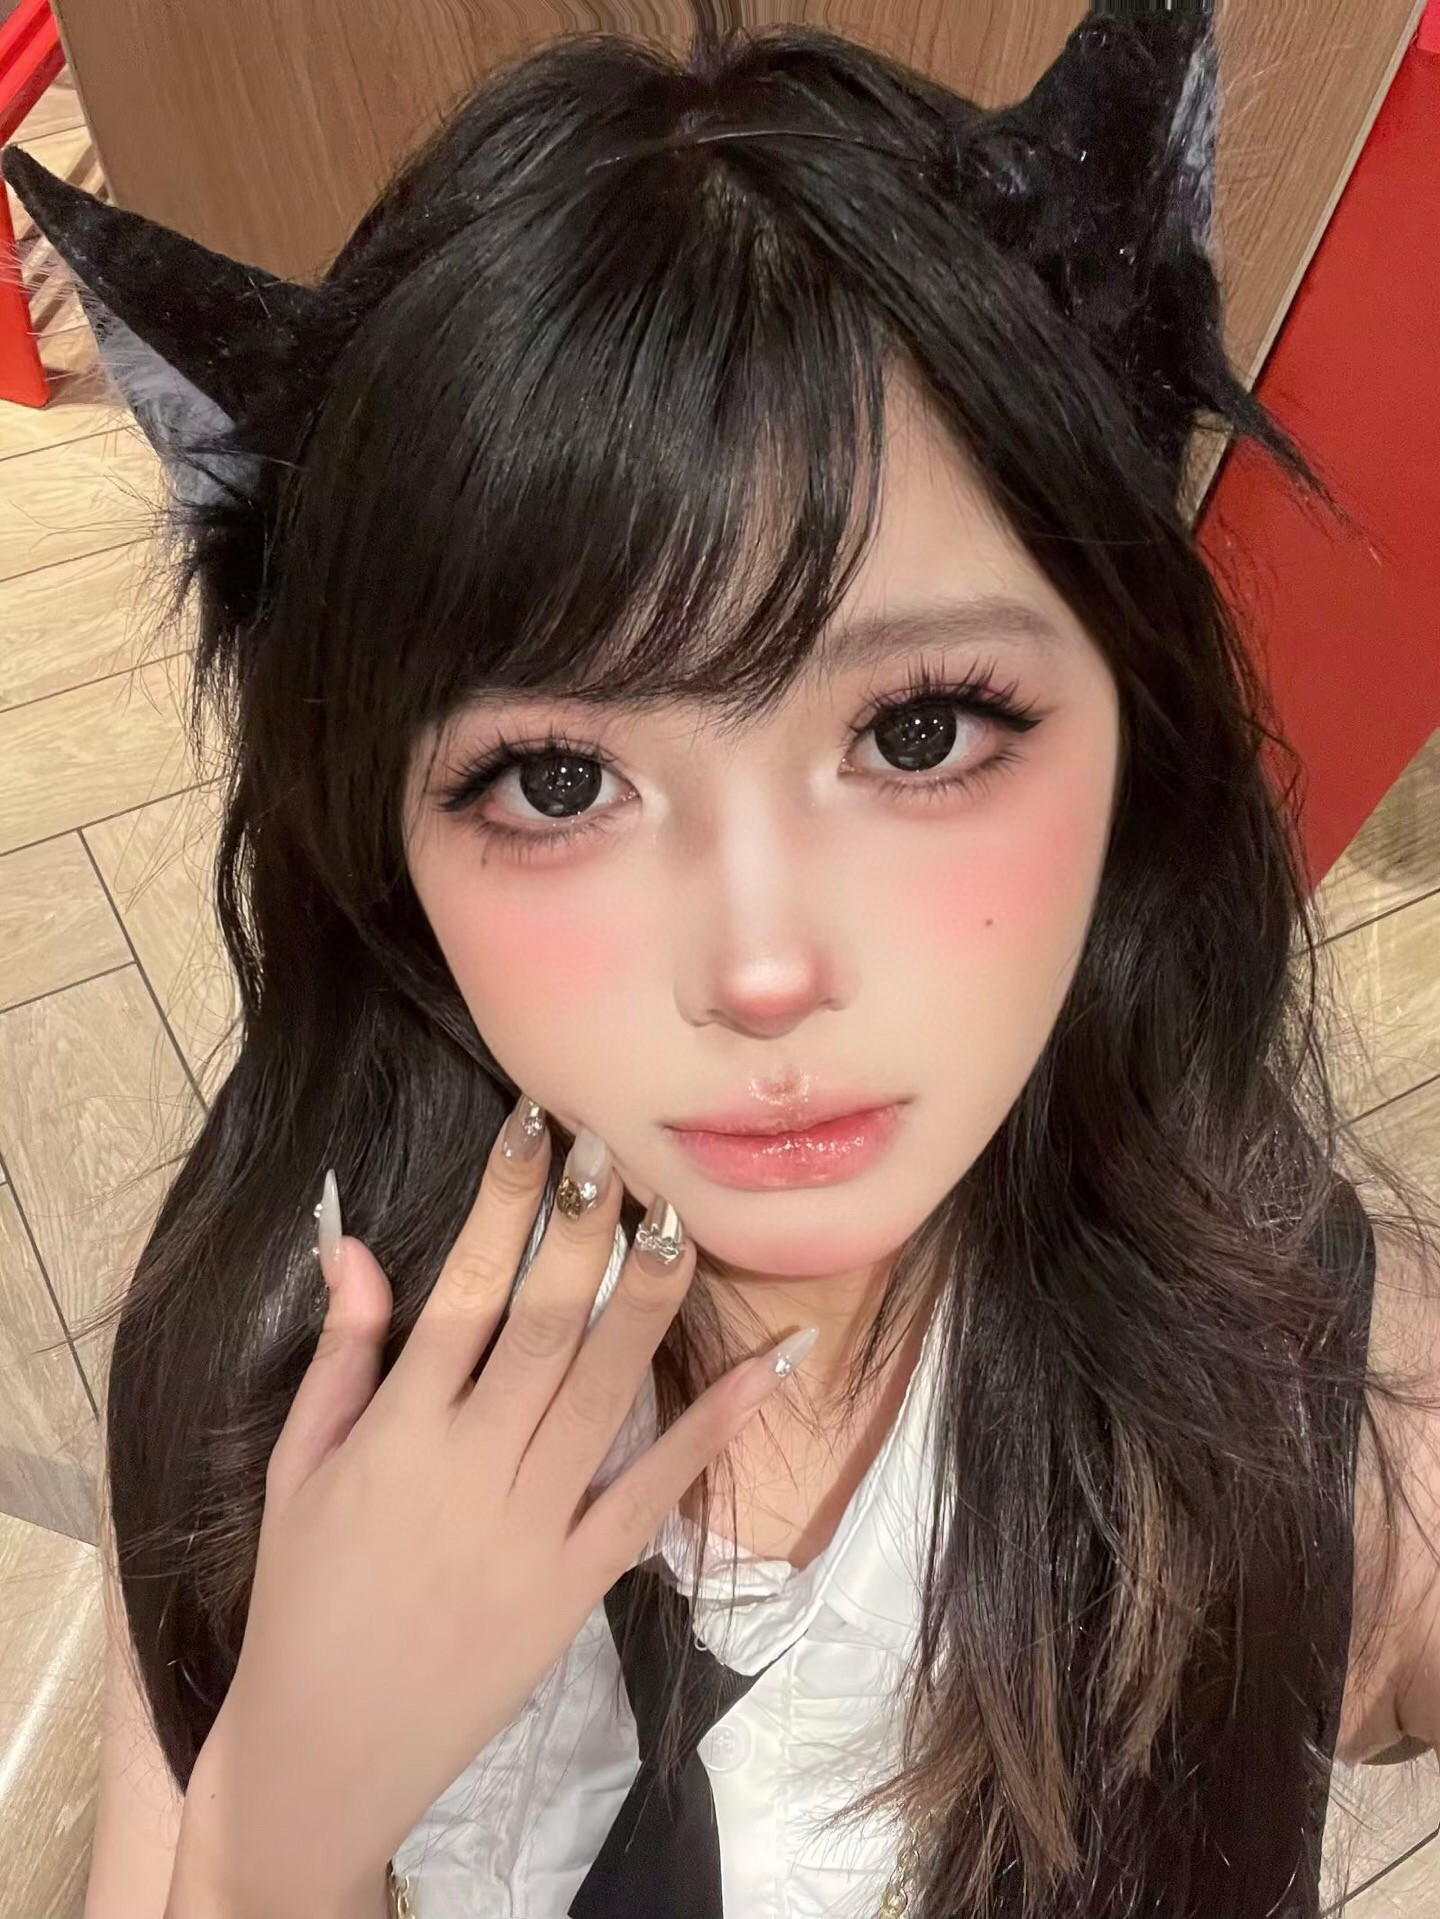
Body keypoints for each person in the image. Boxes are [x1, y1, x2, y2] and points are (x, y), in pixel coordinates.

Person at [7, 7, 1440, 1918]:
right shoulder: (280, 1350)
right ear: (381, 846)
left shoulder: (1334, 1410)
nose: (761, 969)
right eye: (558, 780)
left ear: (1134, 730)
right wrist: (281, 1820)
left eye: (919, 732)